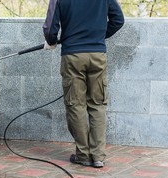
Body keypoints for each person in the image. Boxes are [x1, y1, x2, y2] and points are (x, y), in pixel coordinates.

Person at [43, 0, 124, 168]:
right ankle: (98, 156)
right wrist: (98, 36)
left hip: (72, 56)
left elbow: (50, 28)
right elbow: (118, 20)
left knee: (75, 105)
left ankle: (83, 155)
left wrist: (51, 41)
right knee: (98, 104)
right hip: (97, 55)